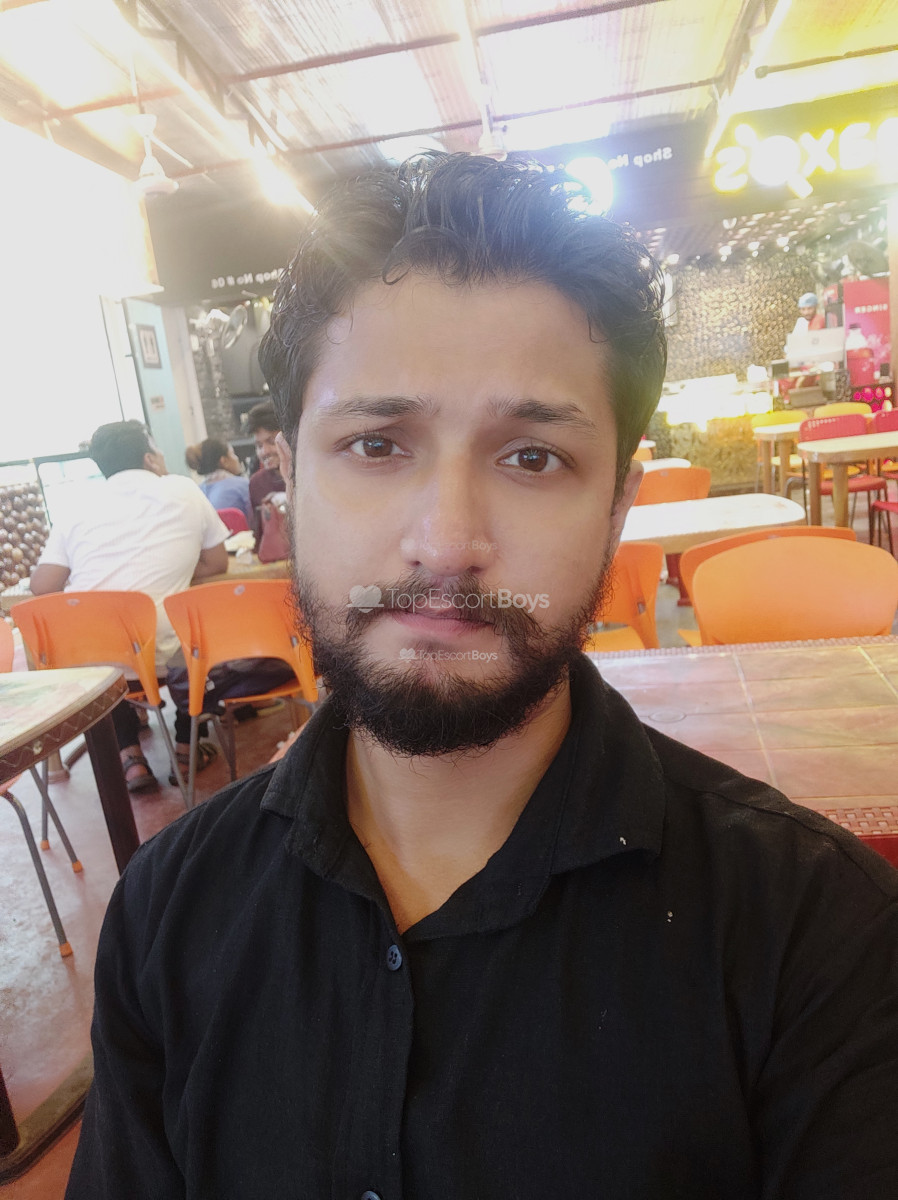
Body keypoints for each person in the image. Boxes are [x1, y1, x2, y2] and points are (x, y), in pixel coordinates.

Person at [67, 157, 898, 1198]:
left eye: (532, 458)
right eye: (377, 444)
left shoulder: (816, 934)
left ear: (618, 507)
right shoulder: (167, 914)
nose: (447, 542)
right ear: (288, 481)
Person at [31, 421, 229, 792]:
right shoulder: (183, 489)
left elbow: (42, 587)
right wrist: (174, 570)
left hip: (94, 660)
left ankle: (131, 759)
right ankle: (186, 748)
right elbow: (218, 563)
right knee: (197, 637)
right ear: (149, 457)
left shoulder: (75, 506)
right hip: (167, 650)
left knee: (104, 652)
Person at [185, 437, 252, 528]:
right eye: (233, 454)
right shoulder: (243, 485)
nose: (237, 458)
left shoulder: (196, 492)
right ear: (224, 461)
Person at [245, 400, 286, 548]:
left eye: (271, 442)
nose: (264, 451)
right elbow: (260, 538)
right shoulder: (257, 483)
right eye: (259, 445)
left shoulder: (311, 476)